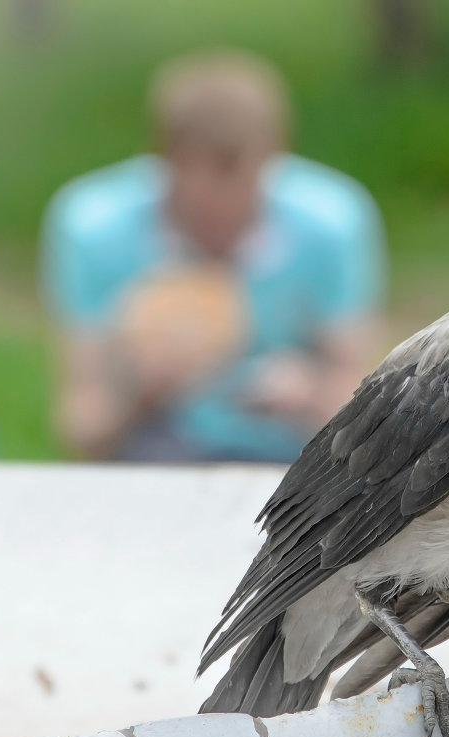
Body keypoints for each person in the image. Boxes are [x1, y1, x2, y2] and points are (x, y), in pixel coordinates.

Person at [41, 50, 386, 462]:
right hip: (153, 458)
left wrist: (307, 393)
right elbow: (82, 430)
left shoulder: (332, 224)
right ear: (163, 161)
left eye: (242, 195)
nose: (222, 214)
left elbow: (364, 415)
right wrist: (141, 388)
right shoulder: (93, 228)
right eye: (203, 208)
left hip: (292, 458)